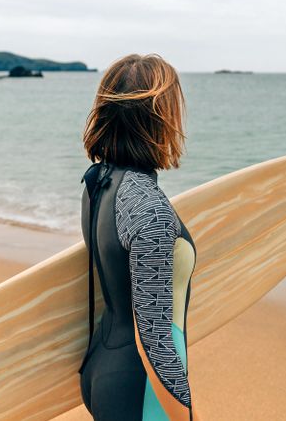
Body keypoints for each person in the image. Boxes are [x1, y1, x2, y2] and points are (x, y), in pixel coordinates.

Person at [78, 54, 200, 421]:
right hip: (141, 388)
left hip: (101, 365)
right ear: (161, 118)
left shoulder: (98, 182)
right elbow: (155, 337)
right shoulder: (151, 211)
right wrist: (185, 415)